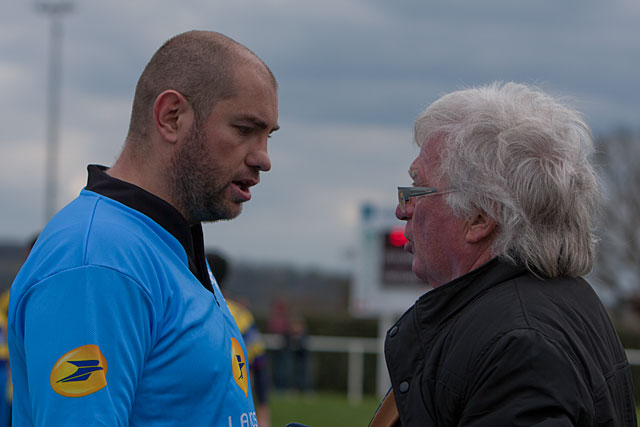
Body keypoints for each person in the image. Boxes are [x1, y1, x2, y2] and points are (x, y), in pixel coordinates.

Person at [8, 30, 279, 426]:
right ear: (171, 116)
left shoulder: (166, 241)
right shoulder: (98, 259)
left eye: (267, 136)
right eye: (244, 129)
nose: (264, 158)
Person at [377, 82, 637, 426]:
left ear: (480, 218)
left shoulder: (519, 346)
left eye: (417, 187)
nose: (402, 210)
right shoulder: (546, 307)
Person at [206, 252, 271, 427]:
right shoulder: (241, 315)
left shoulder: (189, 311)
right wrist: (263, 412)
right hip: (236, 408)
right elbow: (259, 365)